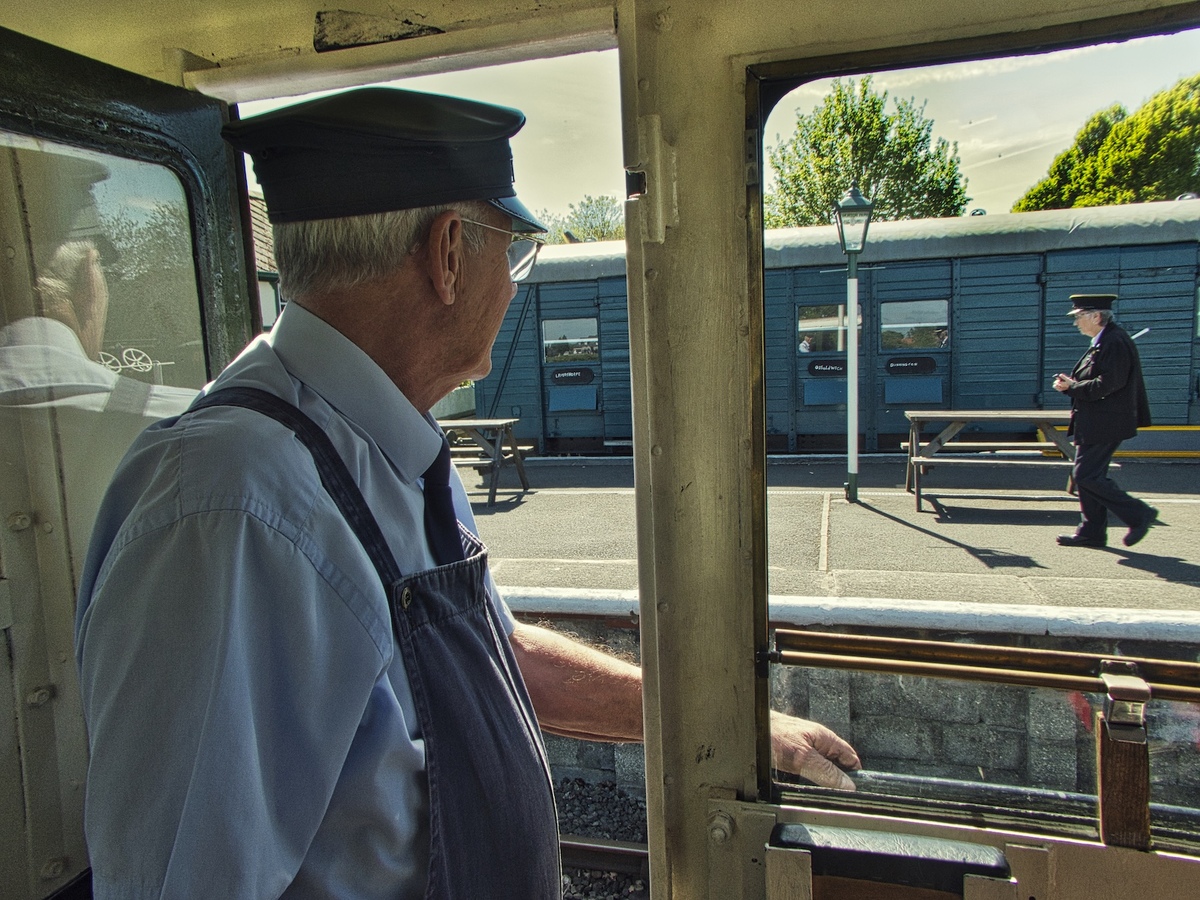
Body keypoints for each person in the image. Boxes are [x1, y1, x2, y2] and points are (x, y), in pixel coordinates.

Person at [73, 87, 860, 899]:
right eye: (510, 250)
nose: (513, 284)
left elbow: (500, 656)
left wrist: (735, 725)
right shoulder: (229, 507)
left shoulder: (388, 442)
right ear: (449, 253)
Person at [1052, 294, 1156, 548]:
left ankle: (1138, 513)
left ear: (1096, 316)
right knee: (1087, 476)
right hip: (1095, 421)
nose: (1076, 322)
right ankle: (1091, 532)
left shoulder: (1114, 341)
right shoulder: (1104, 340)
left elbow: (1108, 384)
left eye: (1079, 317)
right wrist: (1072, 385)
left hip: (1105, 421)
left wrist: (1072, 388)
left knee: (1085, 475)